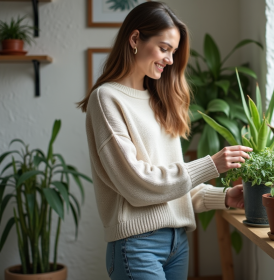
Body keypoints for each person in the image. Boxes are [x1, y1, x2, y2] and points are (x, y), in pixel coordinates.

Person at [77, 2, 252, 279]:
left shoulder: (160, 100)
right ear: (135, 39)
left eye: (173, 52)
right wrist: (212, 164)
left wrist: (224, 197)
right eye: (164, 48)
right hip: (136, 246)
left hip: (177, 243)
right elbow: (138, 184)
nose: (170, 60)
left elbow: (171, 188)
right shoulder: (107, 98)